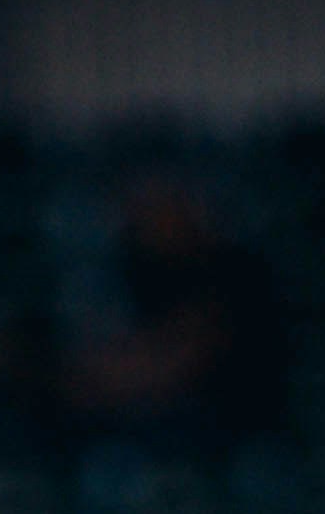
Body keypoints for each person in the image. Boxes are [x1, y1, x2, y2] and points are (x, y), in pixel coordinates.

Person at [69, 180, 293, 448]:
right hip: (169, 423)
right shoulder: (147, 274)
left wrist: (80, 379)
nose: (151, 225)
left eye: (162, 210)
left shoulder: (234, 273)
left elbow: (173, 363)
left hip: (231, 428)